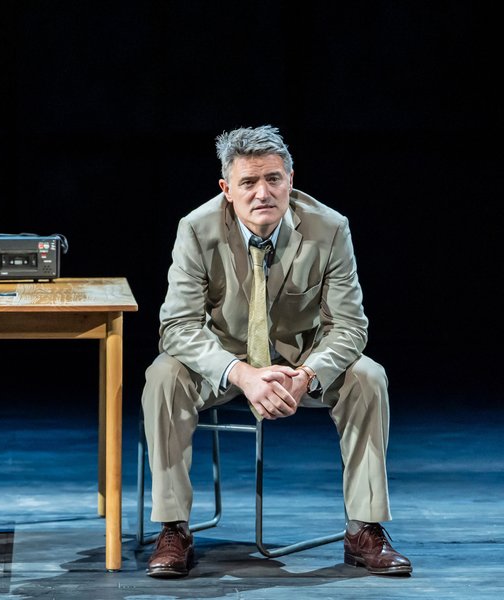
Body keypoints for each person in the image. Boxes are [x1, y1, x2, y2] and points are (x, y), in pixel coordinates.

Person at [141, 125, 411, 578]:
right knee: (163, 375)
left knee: (369, 376)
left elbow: (349, 326)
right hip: (225, 362)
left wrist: (307, 374)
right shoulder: (197, 229)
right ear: (227, 189)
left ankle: (364, 529)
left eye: (273, 179)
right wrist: (241, 373)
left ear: (290, 180)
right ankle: (174, 528)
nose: (262, 192)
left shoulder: (329, 228)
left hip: (301, 361)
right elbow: (177, 327)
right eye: (248, 182)